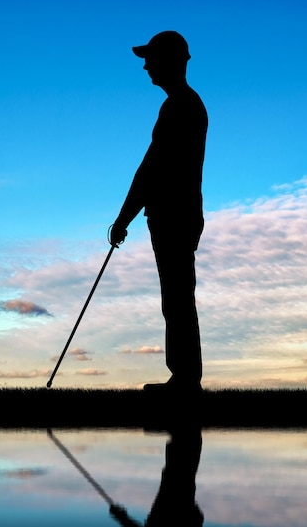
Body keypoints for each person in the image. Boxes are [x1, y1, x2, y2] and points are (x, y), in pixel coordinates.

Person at [109, 31, 207, 395]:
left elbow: (152, 168)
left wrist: (123, 219)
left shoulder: (180, 105)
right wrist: (127, 217)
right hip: (177, 213)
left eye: (152, 58)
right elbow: (152, 167)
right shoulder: (182, 104)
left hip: (174, 215)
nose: (147, 65)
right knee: (177, 297)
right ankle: (184, 378)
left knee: (178, 297)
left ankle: (185, 380)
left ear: (171, 61)